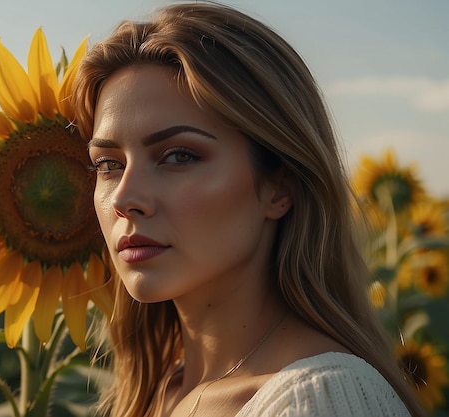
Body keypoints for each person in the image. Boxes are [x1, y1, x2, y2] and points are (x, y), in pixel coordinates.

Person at [71, 3, 426, 416]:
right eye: (109, 164)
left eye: (179, 156)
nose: (123, 198)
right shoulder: (160, 391)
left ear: (279, 186)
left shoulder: (317, 400)